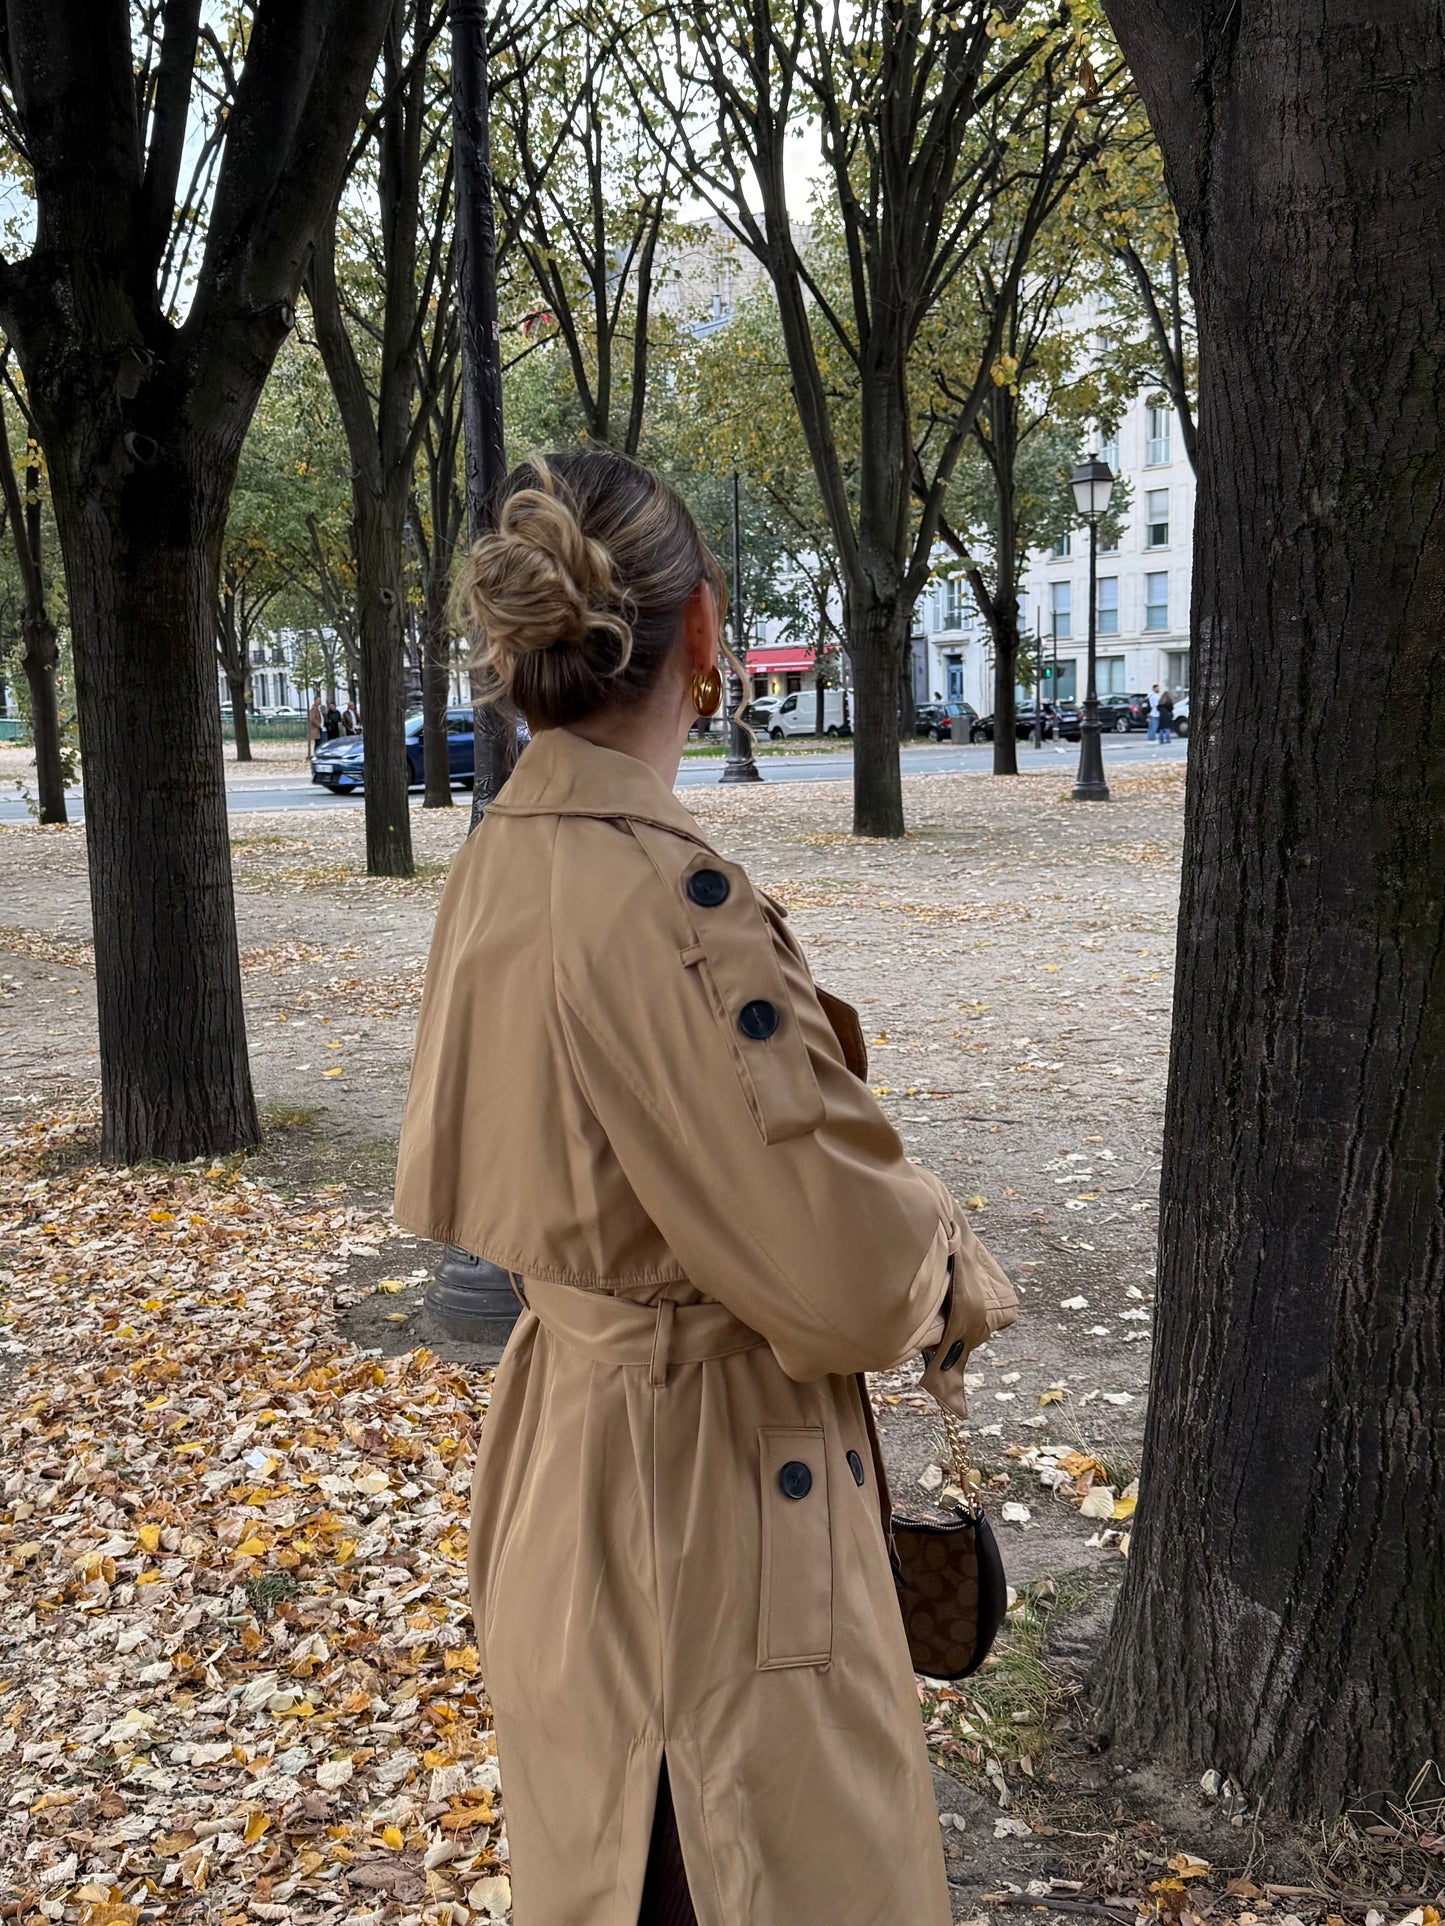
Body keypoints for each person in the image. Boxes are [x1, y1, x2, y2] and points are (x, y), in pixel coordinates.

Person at [394, 451, 1018, 1926]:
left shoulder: (499, 857)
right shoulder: (672, 903)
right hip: (710, 1510)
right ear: (701, 633)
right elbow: (846, 1282)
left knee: (614, 1858)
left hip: (567, 1469)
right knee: (726, 1867)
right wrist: (945, 1253)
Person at [307, 693, 323, 758]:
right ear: (315, 700)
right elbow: (313, 719)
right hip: (316, 728)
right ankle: (316, 754)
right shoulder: (313, 709)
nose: (320, 701)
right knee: (317, 742)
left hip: (318, 728)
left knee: (319, 742)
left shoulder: (317, 708)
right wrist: (319, 725)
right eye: (318, 700)